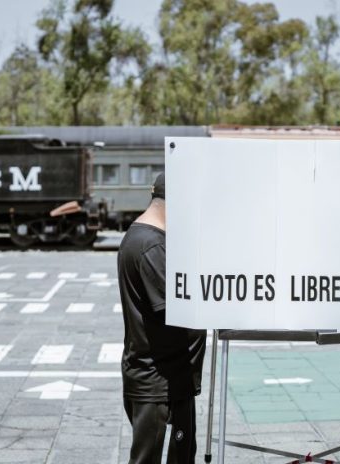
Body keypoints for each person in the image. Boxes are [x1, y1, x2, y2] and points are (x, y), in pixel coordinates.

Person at [117, 172, 207, 464]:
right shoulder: (152, 246)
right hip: (158, 381)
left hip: (162, 376)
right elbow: (178, 310)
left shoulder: (140, 237)